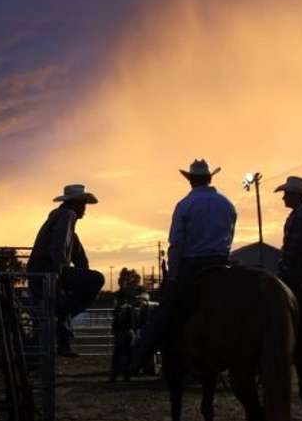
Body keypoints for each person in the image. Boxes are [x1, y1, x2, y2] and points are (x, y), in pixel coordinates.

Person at [130, 159, 236, 371]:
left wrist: (174, 277)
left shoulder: (185, 205)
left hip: (193, 265)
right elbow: (230, 236)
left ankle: (138, 357)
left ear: (191, 181)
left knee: (166, 309)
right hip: (222, 263)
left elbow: (176, 244)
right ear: (209, 178)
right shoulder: (227, 204)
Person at [26, 184, 105, 358]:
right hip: (48, 271)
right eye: (83, 203)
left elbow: (80, 257)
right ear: (75, 203)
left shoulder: (61, 219)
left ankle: (59, 323)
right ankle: (60, 317)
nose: (85, 208)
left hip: (41, 272)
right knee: (96, 279)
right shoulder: (67, 216)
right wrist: (60, 273)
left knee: (63, 301)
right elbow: (59, 246)